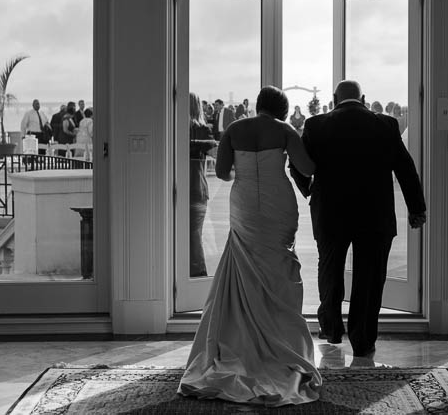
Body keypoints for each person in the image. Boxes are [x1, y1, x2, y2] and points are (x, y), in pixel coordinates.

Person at [179, 86, 320, 406]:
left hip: (243, 205)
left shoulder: (234, 128)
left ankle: (242, 341)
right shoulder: (284, 129)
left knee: (246, 267)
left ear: (258, 106)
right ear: (282, 109)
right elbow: (308, 168)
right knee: (278, 267)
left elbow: (222, 173)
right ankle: (279, 342)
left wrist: (246, 164)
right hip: (277, 203)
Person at [291, 80, 426, 358]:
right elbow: (406, 168)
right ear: (363, 98)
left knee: (330, 270)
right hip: (374, 214)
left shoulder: (316, 125)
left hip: (331, 212)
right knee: (369, 277)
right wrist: (416, 208)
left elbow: (296, 164)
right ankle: (362, 340)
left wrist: (309, 189)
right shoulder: (385, 125)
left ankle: (331, 329)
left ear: (333, 98)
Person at [187, 93, 216, 277]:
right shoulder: (203, 130)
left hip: (178, 188)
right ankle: (197, 279)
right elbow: (217, 155)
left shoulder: (171, 128)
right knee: (194, 238)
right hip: (196, 187)